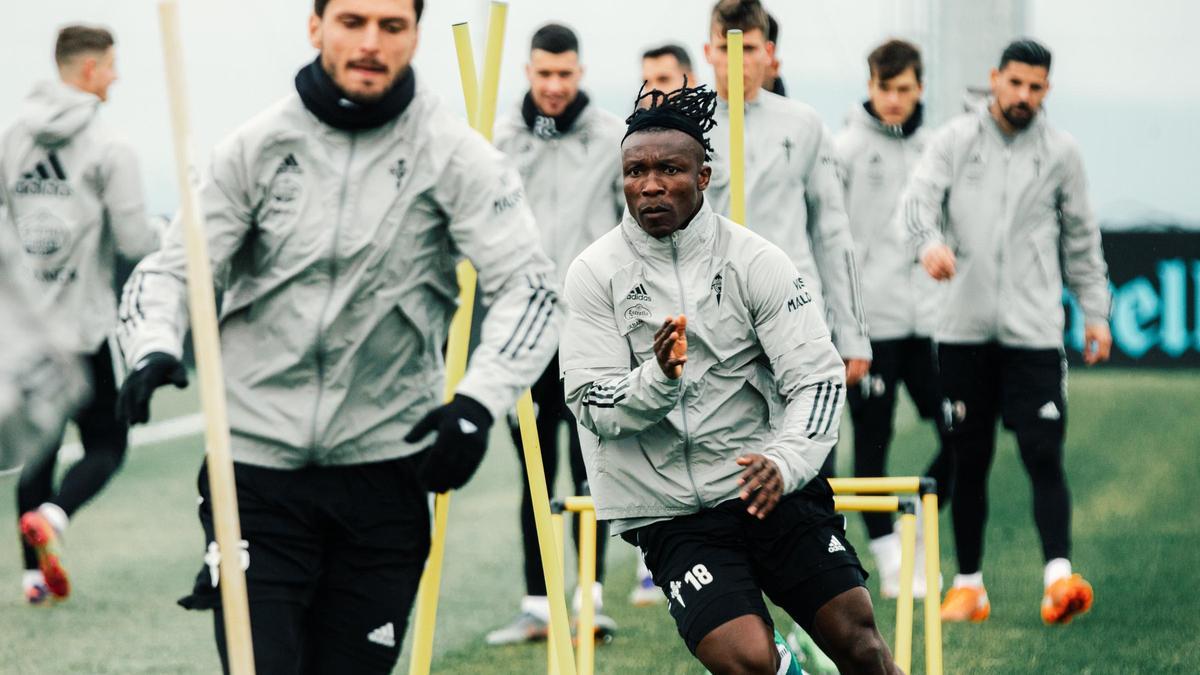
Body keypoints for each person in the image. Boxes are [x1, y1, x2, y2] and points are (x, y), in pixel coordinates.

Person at [115, 0, 560, 671]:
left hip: (384, 471)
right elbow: (173, 269)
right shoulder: (255, 147)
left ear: (415, 33)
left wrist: (476, 405)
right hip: (255, 472)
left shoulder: (455, 154)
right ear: (316, 26)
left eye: (391, 25)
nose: (371, 42)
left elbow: (529, 286)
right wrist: (151, 343)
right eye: (352, 21)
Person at [562, 80, 900, 675]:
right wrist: (658, 379)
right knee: (748, 661)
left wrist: (788, 461)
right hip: (671, 513)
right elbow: (591, 401)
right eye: (635, 171)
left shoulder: (757, 261)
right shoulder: (594, 273)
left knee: (860, 644)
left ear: (704, 175)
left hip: (767, 486)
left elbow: (816, 380)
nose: (651, 185)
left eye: (669, 168)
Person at [903, 38, 1111, 625]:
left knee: (1043, 452)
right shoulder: (955, 140)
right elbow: (916, 202)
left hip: (1035, 333)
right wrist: (929, 244)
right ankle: (970, 587)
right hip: (963, 330)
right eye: (1015, 82)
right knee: (969, 459)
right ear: (994, 78)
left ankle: (1058, 579)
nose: (1023, 96)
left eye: (1036, 87)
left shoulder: (1062, 153)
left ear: (1047, 90)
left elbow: (1080, 237)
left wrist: (1096, 310)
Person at [0, 24, 159, 605]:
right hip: (87, 333)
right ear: (90, 70)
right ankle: (57, 518)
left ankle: (33, 579)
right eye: (112, 65)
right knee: (108, 447)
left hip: (25, 338)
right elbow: (137, 239)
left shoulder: (11, 138)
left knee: (38, 450)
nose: (115, 77)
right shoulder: (110, 147)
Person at [487, 22, 624, 644]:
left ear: (580, 72)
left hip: (593, 331)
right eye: (544, 74)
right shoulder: (501, 141)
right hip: (525, 330)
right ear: (528, 71)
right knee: (535, 472)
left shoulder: (610, 137)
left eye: (565, 74)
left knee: (591, 466)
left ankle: (589, 599)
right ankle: (539, 604)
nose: (554, 85)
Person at [702, 0, 871, 450]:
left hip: (793, 304)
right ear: (708, 51)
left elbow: (833, 233)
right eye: (725, 47)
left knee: (809, 439)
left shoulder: (803, 124)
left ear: (768, 52)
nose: (737, 60)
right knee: (725, 448)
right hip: (714, 311)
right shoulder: (685, 127)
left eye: (749, 48)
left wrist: (852, 332)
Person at [833, 39, 952, 599]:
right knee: (873, 443)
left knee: (963, 431)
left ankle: (920, 524)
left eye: (905, 89)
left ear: (920, 87)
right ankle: (889, 558)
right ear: (870, 85)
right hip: (871, 324)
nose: (895, 100)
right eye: (885, 88)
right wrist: (844, 320)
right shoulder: (846, 149)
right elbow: (835, 241)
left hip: (932, 323)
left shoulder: (938, 147)